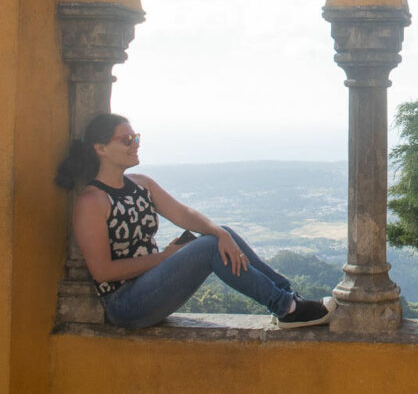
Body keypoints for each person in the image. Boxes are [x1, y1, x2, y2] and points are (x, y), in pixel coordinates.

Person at [56, 113, 333, 329]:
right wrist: (165, 257)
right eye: (126, 140)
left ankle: (288, 297)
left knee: (221, 234)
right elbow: (103, 272)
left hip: (152, 285)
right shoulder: (92, 202)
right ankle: (286, 309)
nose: (135, 145)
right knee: (209, 247)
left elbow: (184, 215)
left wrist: (218, 232)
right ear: (101, 148)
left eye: (136, 138)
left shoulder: (141, 184)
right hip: (125, 305)